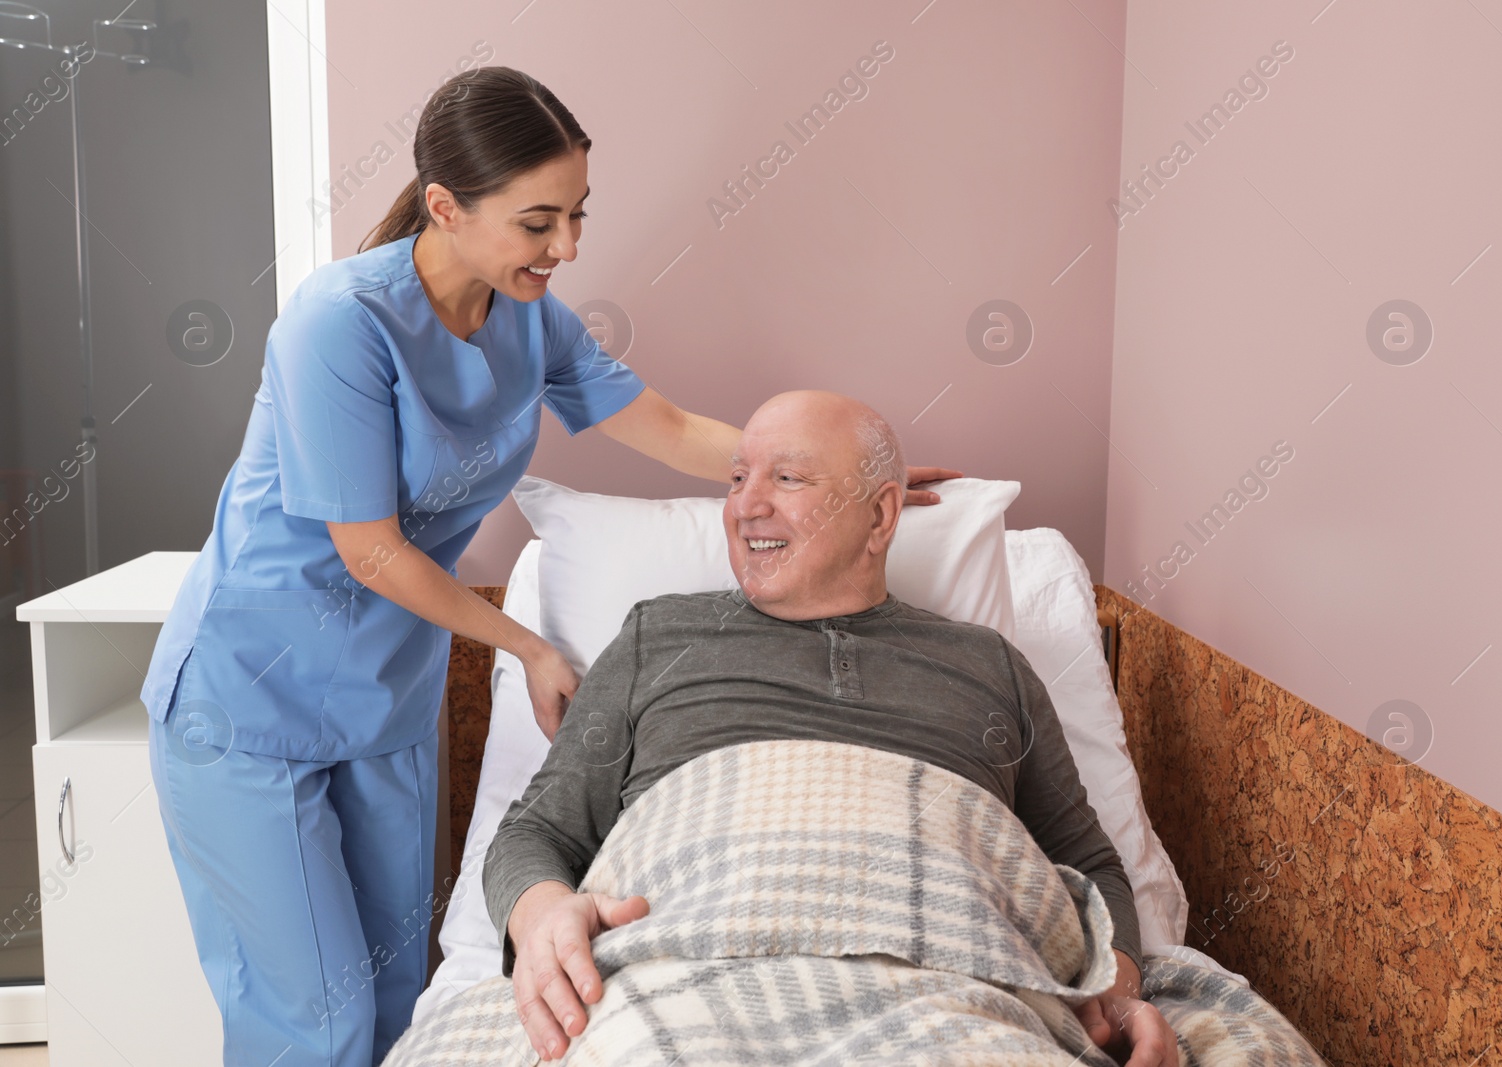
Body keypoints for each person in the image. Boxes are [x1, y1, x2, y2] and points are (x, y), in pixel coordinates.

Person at [138, 70, 958, 1067]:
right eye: (538, 223)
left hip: (383, 699)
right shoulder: (338, 324)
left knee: (399, 994)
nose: (565, 248)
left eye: (576, 216)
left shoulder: (530, 318)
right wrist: (526, 645)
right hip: (251, 696)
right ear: (446, 207)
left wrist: (822, 474)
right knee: (313, 1020)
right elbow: (371, 546)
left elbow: (666, 427)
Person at [484, 390, 1182, 1066]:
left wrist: (1114, 989)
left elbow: (1087, 863)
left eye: (786, 478)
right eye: (736, 478)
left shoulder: (990, 665)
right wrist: (544, 916)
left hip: (947, 997)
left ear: (880, 516)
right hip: (686, 986)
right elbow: (535, 832)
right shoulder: (657, 637)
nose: (744, 505)